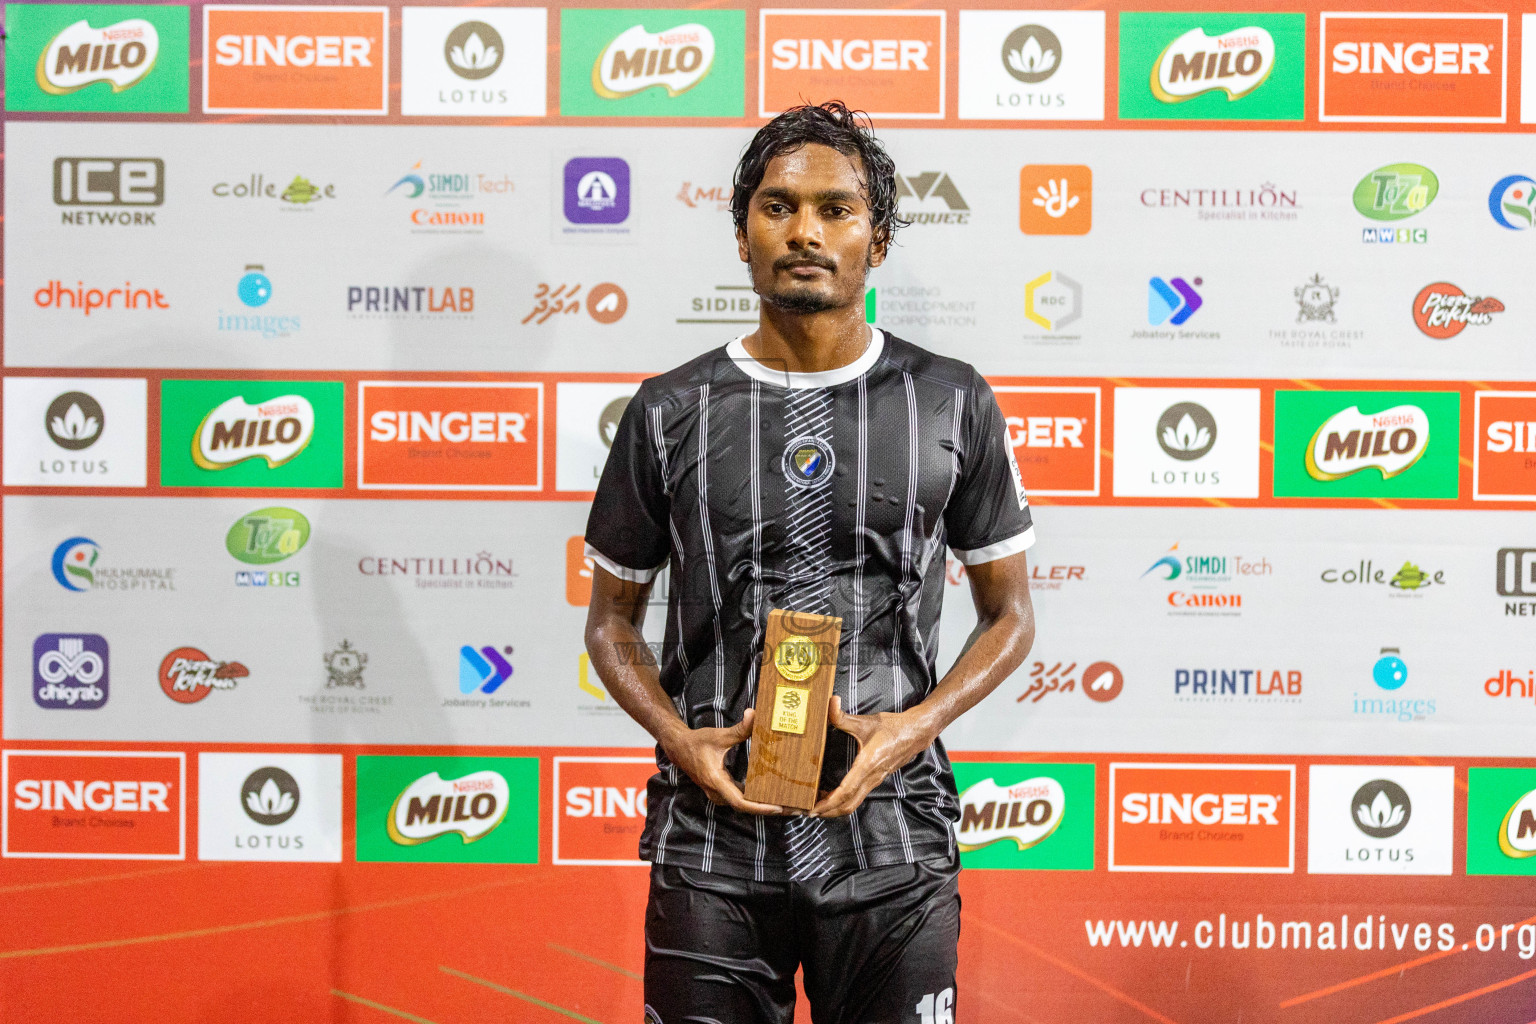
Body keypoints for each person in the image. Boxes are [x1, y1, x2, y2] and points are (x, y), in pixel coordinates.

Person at [583, 100, 1037, 1024]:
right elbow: (609, 620)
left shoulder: (950, 400)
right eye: (778, 206)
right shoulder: (669, 409)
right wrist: (680, 741)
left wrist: (913, 727)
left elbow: (1011, 616)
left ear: (879, 239)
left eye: (837, 209)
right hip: (711, 844)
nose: (806, 232)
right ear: (741, 233)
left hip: (894, 835)